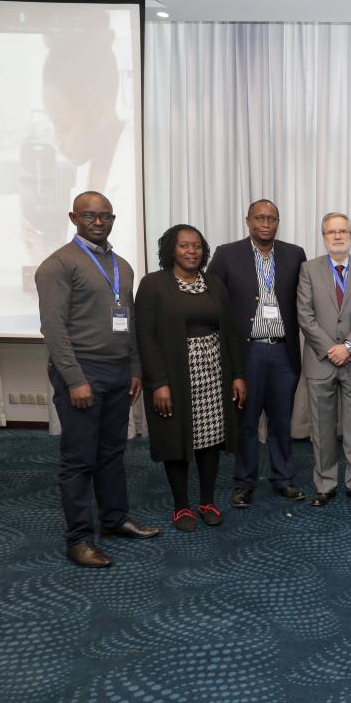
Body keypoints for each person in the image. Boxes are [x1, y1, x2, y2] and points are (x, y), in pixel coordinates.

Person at [36, 191, 159, 567]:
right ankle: (78, 539)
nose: (98, 222)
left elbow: (131, 322)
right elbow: (53, 329)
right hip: (83, 371)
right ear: (74, 217)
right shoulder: (57, 265)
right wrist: (74, 379)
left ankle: (114, 519)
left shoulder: (122, 266)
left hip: (119, 372)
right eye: (90, 216)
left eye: (105, 216)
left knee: (112, 453)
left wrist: (135, 368)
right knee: (79, 460)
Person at [135, 225, 247, 532]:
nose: (191, 251)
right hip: (174, 375)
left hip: (213, 373)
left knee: (210, 438)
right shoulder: (153, 284)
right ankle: (181, 506)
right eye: (184, 246)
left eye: (197, 246)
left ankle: (207, 501)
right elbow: (145, 336)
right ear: (171, 249)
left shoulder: (214, 284)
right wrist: (158, 382)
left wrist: (238, 374)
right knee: (176, 437)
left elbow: (232, 332)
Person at [207, 199, 308, 509]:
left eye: (272, 218)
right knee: (246, 422)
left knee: (281, 421)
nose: (266, 223)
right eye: (260, 218)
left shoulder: (294, 254)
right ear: (247, 220)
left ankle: (283, 478)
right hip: (246, 353)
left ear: (279, 222)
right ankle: (244, 482)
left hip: (282, 352)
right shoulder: (227, 254)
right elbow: (213, 300)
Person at [297, 213, 351, 507]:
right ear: (323, 236)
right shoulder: (308, 269)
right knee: (322, 429)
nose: (338, 236)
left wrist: (349, 346)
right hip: (321, 360)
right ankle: (325, 484)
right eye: (331, 232)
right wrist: (332, 348)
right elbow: (305, 315)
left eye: (343, 231)